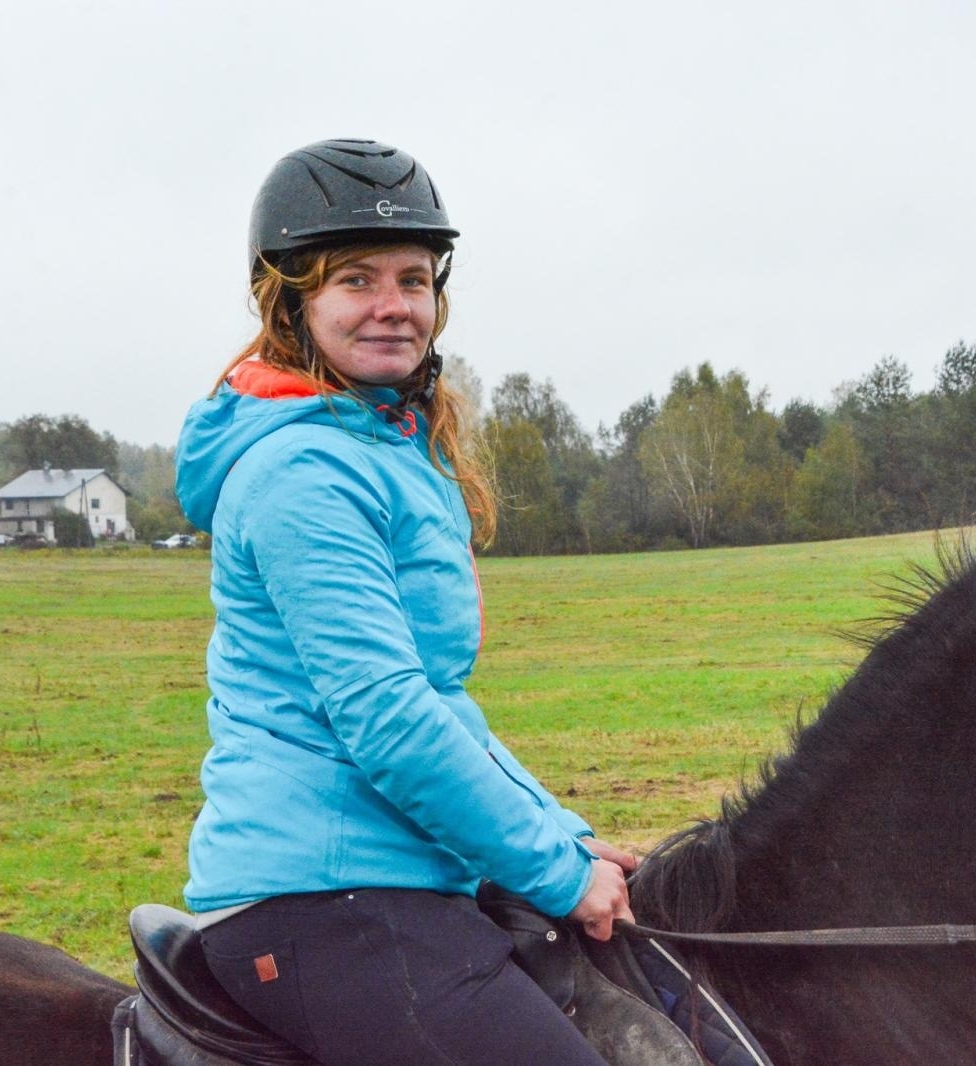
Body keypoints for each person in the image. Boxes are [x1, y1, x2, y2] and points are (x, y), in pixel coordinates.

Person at [173, 138, 634, 1065]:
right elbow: (388, 719)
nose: (393, 307)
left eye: (414, 280)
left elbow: (436, 700)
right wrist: (555, 875)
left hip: (395, 874)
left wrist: (565, 837)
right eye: (355, 280)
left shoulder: (386, 447)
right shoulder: (303, 471)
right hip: (322, 897)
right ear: (292, 302)